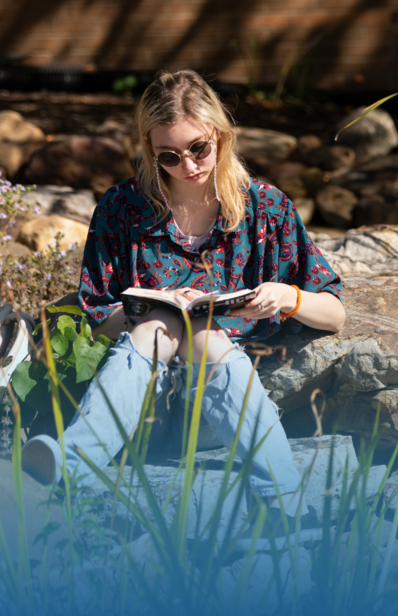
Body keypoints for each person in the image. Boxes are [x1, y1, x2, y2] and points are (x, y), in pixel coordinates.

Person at [19, 70, 344, 515]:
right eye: (169, 156)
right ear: (150, 151)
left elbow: (334, 314)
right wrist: (148, 312)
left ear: (221, 137)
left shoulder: (265, 208)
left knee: (207, 337)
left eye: (198, 149)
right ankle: (69, 463)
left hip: (220, 404)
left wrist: (289, 298)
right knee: (158, 325)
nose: (187, 167)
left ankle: (279, 488)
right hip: (140, 398)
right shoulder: (121, 210)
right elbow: (97, 318)